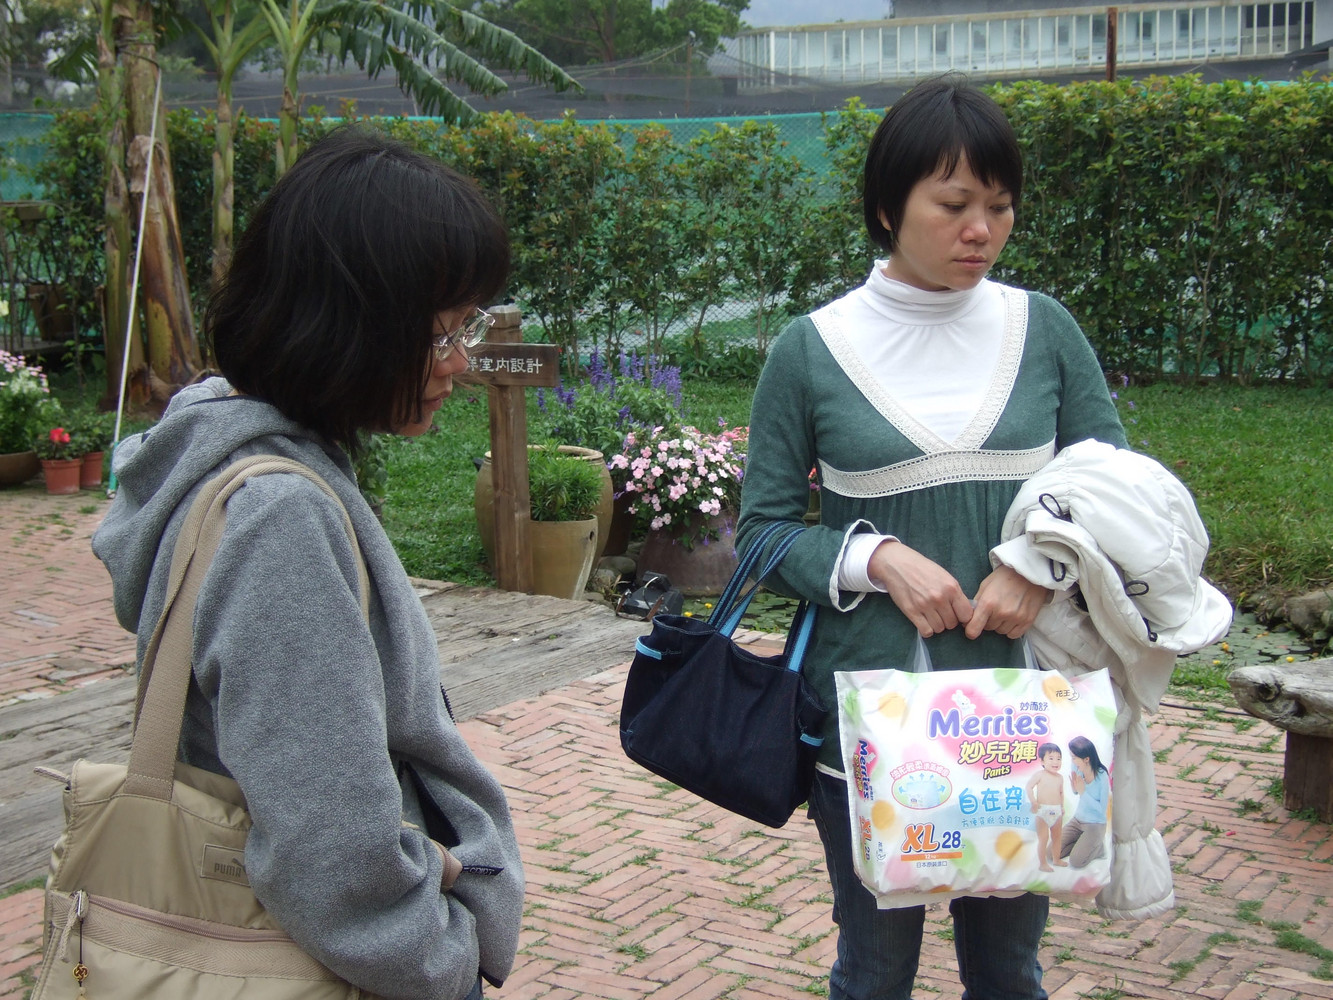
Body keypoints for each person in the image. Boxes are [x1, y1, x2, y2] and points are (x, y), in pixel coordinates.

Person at [92, 127, 522, 1000]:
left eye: (467, 327)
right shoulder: (280, 518)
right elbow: (331, 851)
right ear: (346, 328)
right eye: (438, 334)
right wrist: (443, 963)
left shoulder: (219, 448)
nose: (460, 362)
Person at [736, 76, 1128, 1000]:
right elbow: (759, 535)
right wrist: (874, 557)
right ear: (887, 206)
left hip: (1027, 719)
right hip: (874, 721)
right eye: (953, 205)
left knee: (1008, 971)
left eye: (999, 206)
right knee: (874, 973)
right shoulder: (811, 349)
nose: (980, 230)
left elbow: (1114, 486)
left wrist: (1040, 564)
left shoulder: (1043, 330)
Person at [1061, 736, 1112, 869]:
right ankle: (1083, 845)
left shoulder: (1101, 776)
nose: (1072, 761)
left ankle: (1098, 848)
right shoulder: (1077, 767)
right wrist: (1075, 788)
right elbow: (1075, 792)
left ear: (1086, 759)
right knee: (1052, 853)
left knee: (1076, 862)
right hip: (1077, 820)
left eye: (1074, 757)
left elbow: (1101, 810)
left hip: (1095, 824)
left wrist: (1083, 792)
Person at [1025, 743, 1067, 873]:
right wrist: (1034, 802)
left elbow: (1061, 793)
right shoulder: (1040, 774)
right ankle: (1042, 864)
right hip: (1042, 810)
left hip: (1057, 810)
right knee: (1043, 838)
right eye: (1051, 758)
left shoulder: (1060, 777)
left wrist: (1062, 807)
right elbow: (1029, 787)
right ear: (1042, 761)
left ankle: (1056, 859)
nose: (1056, 762)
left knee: (1057, 837)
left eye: (1058, 758)